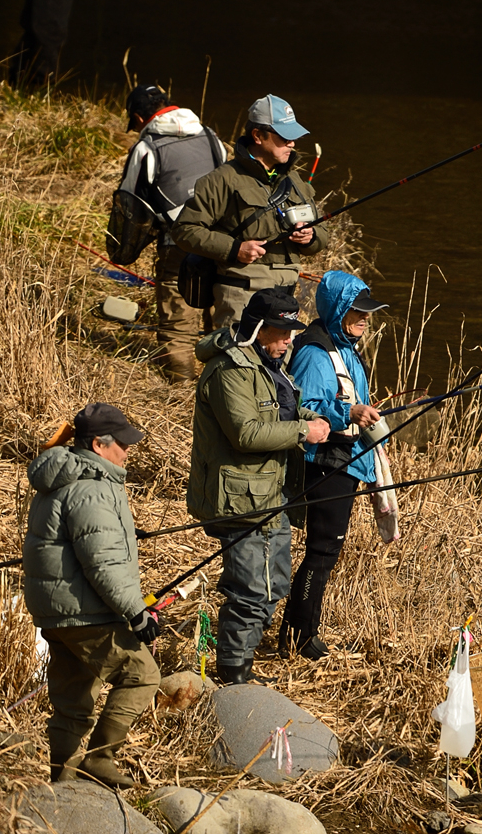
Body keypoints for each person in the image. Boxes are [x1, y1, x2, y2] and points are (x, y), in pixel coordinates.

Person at [188, 287, 330, 684]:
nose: (289, 340)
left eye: (291, 332)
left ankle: (240, 665)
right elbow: (246, 433)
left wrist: (324, 419)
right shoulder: (230, 369)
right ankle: (233, 675)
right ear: (257, 329)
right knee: (251, 591)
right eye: (281, 332)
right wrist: (304, 431)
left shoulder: (268, 363)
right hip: (238, 501)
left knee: (273, 586)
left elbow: (280, 407)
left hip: (272, 495)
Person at [22, 403, 161, 787]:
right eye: (123, 443)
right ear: (100, 446)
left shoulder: (62, 479)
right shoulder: (92, 490)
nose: (128, 451)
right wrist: (136, 612)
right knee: (142, 675)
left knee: (73, 702)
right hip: (85, 612)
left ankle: (63, 785)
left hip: (57, 612)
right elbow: (104, 563)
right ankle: (100, 760)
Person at [282, 270, 395, 659]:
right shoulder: (315, 353)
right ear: (338, 310)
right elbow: (304, 409)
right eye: (357, 312)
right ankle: (301, 637)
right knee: (322, 551)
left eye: (368, 312)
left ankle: (296, 632)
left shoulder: (345, 347)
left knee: (325, 550)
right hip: (326, 463)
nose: (365, 319)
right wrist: (350, 410)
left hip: (346, 460)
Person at [174, 95, 328, 330]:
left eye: (294, 137)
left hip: (286, 300)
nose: (292, 143)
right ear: (257, 136)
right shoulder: (222, 180)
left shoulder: (295, 181)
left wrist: (311, 237)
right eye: (284, 137)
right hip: (240, 297)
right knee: (239, 362)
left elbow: (321, 235)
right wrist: (235, 249)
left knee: (279, 365)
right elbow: (185, 230)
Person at [113, 83, 227, 380]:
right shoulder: (210, 135)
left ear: (139, 119)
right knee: (221, 306)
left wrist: (127, 248)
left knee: (178, 313)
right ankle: (224, 382)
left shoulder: (146, 147)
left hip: (177, 241)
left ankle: (179, 388)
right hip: (222, 239)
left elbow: (130, 204)